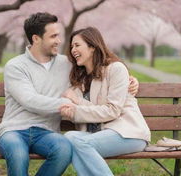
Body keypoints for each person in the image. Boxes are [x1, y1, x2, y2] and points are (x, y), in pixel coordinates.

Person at [0, 12, 140, 176]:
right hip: (14, 130)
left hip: (46, 131)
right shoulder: (15, 66)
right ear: (36, 39)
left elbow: (100, 68)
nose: (59, 41)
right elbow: (29, 100)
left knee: (64, 149)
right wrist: (68, 105)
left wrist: (130, 80)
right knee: (18, 154)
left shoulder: (66, 64)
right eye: (53, 36)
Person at [60, 27, 151, 176]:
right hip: (97, 136)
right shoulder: (78, 81)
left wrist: (77, 106)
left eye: (77, 45)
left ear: (92, 47)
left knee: (80, 144)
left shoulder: (115, 69)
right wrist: (68, 107)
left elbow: (112, 110)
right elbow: (69, 106)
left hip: (127, 133)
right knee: (69, 138)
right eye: (71, 47)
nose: (73, 50)